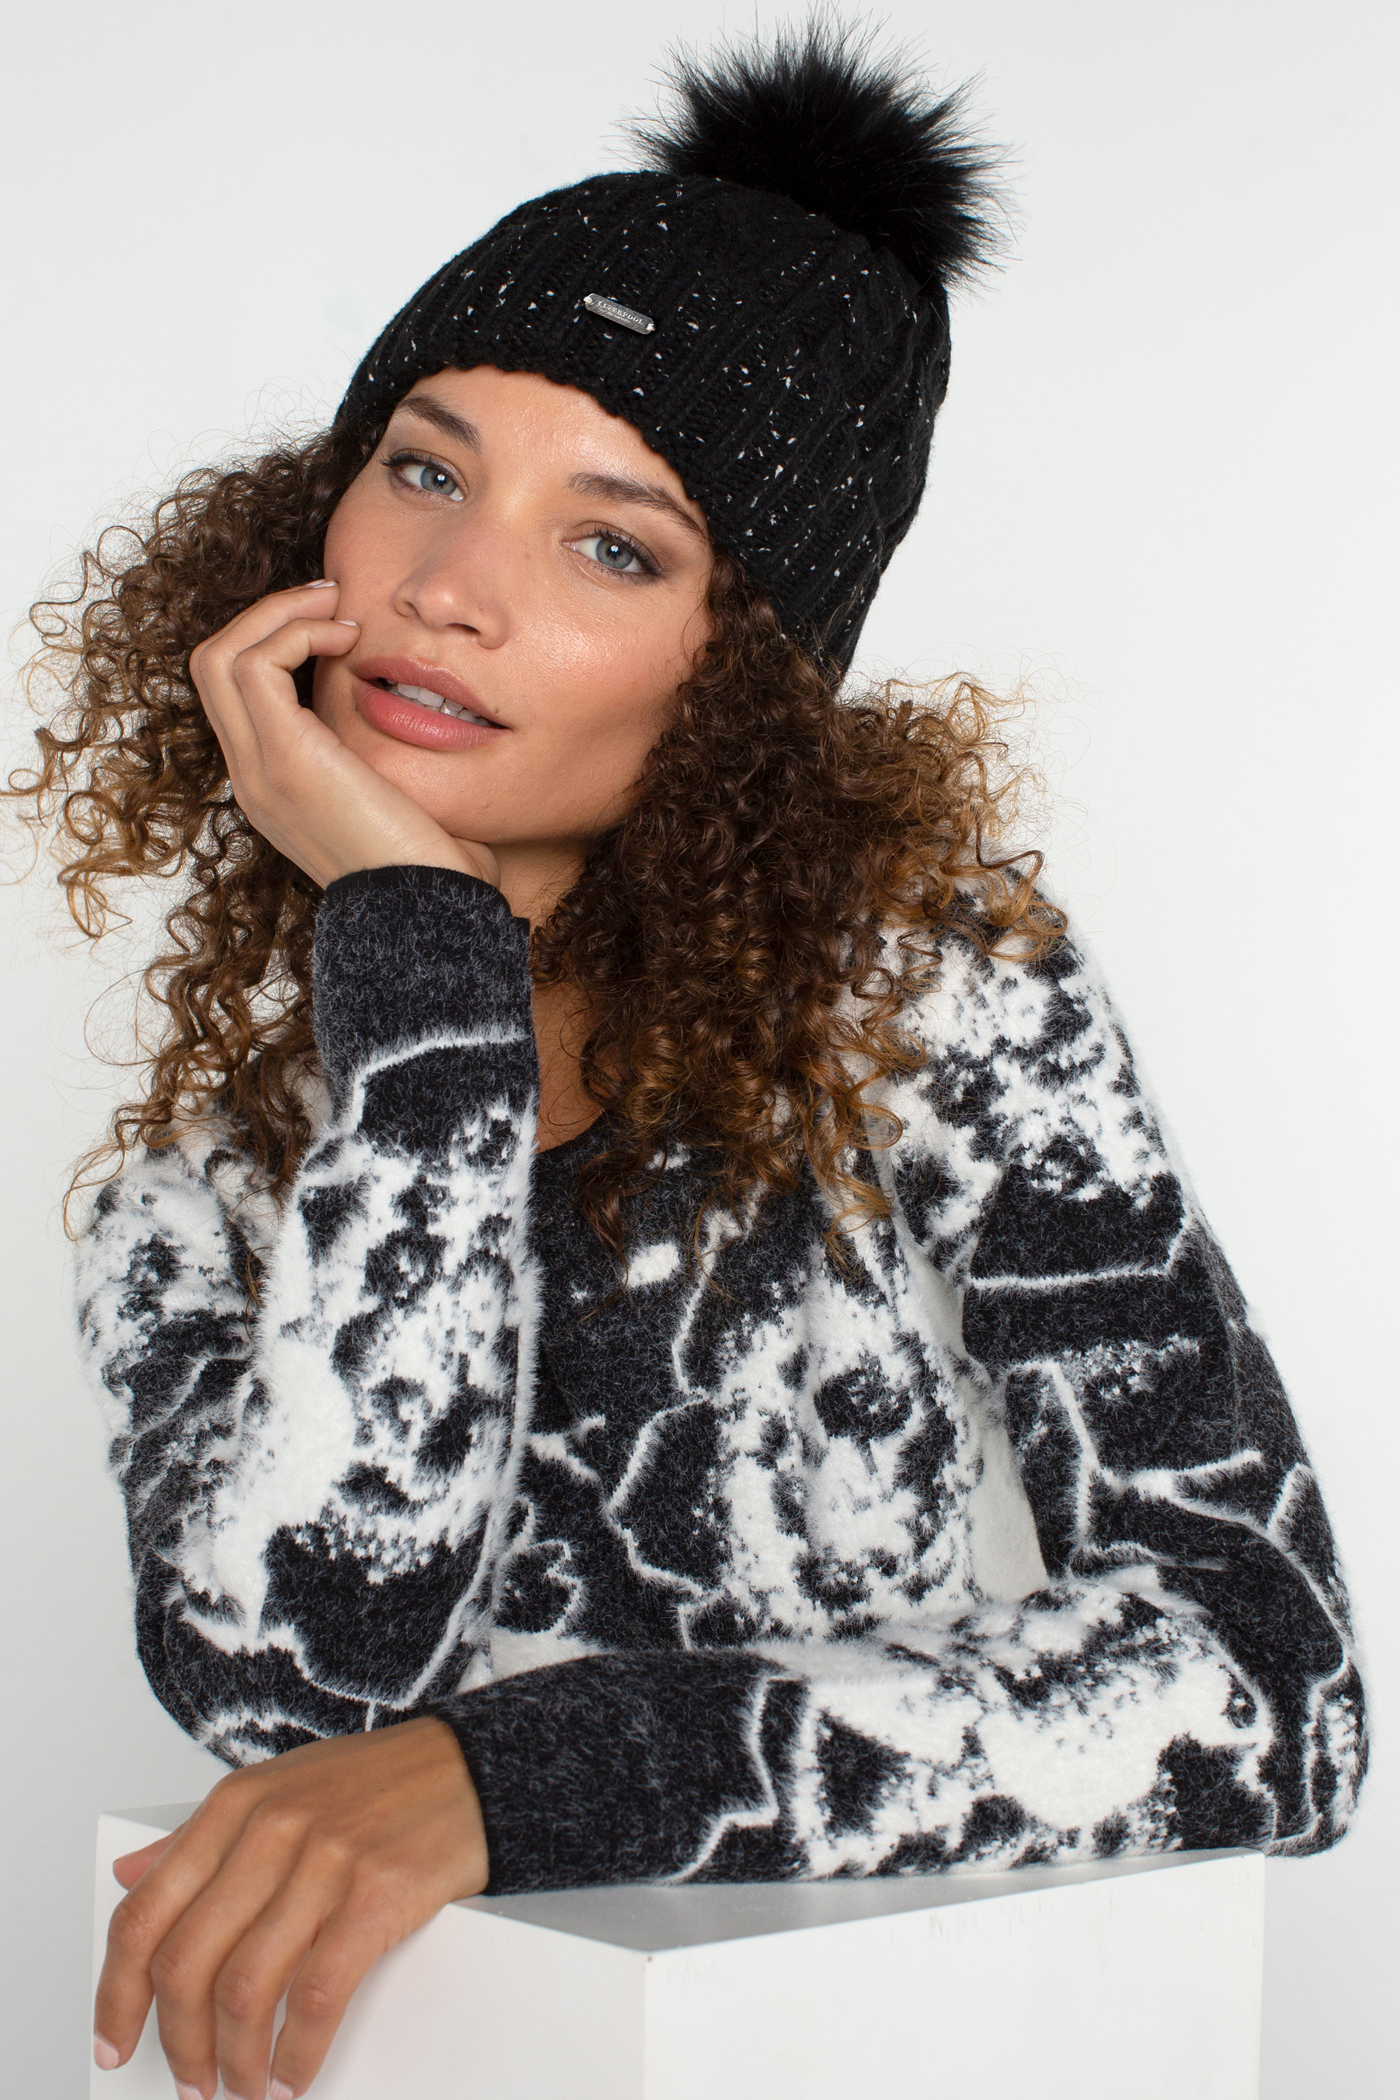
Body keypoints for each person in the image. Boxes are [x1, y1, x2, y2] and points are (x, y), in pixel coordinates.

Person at [7, 21, 1365, 2100]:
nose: (446, 592)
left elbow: (1269, 1684)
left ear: (747, 677)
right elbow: (289, 1696)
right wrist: (423, 961)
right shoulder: (194, 1191)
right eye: (423, 469)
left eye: (613, 543)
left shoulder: (925, 1005)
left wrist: (509, 1774)